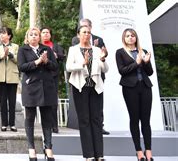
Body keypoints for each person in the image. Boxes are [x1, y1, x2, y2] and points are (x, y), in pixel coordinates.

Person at [66, 25, 108, 161]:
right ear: (78, 35)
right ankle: (89, 155)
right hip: (80, 87)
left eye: (89, 32)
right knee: (84, 120)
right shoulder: (73, 49)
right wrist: (82, 63)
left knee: (96, 120)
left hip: (96, 87)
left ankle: (99, 154)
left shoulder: (96, 50)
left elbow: (105, 69)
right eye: (84, 32)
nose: (87, 34)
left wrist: (103, 59)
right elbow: (68, 67)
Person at [18, 27, 58, 161]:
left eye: (36, 34)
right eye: (31, 35)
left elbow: (55, 67)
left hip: (46, 88)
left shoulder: (47, 49)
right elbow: (21, 67)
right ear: (27, 37)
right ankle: (31, 149)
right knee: (30, 118)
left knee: (47, 119)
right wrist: (37, 62)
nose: (34, 37)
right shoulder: (23, 50)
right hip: (31, 88)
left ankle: (48, 148)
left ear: (40, 37)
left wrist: (46, 61)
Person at [116, 28, 154, 161]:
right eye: (127, 36)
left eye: (132, 35)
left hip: (145, 87)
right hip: (130, 88)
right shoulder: (120, 53)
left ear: (136, 38)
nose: (131, 38)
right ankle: (139, 151)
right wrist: (136, 63)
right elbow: (122, 71)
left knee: (146, 120)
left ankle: (148, 151)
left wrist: (146, 62)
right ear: (124, 38)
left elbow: (149, 72)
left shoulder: (142, 51)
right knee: (134, 119)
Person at [72, 18, 110, 135]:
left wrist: (102, 53)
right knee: (84, 106)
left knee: (98, 104)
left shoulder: (99, 39)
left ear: (90, 27)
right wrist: (91, 46)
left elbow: (103, 54)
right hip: (82, 77)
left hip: (97, 75)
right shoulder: (75, 40)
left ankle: (100, 126)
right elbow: (78, 52)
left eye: (86, 27)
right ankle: (86, 127)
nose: (84, 30)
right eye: (81, 27)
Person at [0, 26, 19, 132]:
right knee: (2, 101)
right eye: (0, 33)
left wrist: (10, 54)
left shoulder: (15, 46)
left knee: (12, 101)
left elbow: (18, 60)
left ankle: (12, 124)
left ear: (9, 36)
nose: (1, 35)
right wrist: (3, 55)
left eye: (4, 33)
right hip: (1, 76)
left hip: (12, 76)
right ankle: (4, 124)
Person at [40, 27, 65, 133]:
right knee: (42, 101)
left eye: (47, 32)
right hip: (40, 77)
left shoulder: (56, 46)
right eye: (43, 32)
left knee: (53, 101)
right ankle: (45, 125)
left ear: (50, 35)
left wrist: (56, 55)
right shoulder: (38, 46)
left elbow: (63, 56)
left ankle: (54, 125)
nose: (45, 34)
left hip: (53, 76)